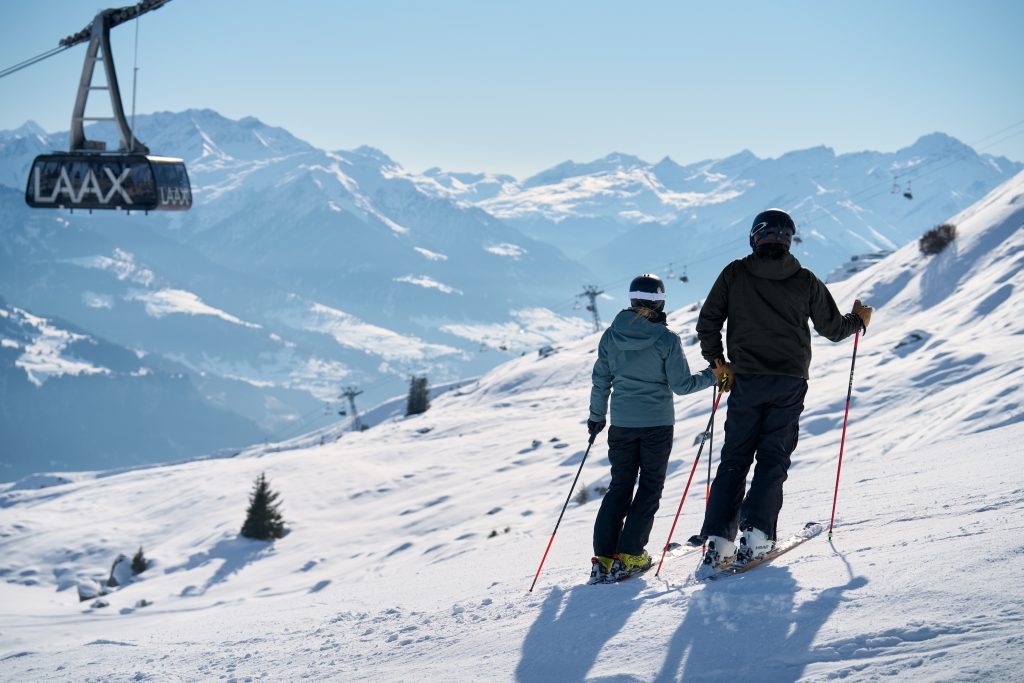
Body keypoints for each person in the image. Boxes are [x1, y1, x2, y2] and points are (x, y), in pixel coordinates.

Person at [695, 208, 873, 575]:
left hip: (745, 379)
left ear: (755, 237)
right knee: (772, 457)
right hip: (789, 381)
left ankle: (718, 541)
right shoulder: (804, 279)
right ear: (788, 239)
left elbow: (708, 321)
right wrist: (858, 320)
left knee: (735, 459)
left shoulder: (734, 273)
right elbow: (834, 329)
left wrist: (718, 362)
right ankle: (758, 536)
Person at [587, 274, 728, 583]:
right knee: (649, 487)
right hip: (656, 425)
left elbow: (601, 381)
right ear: (660, 301)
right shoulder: (666, 339)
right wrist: (714, 376)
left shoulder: (610, 336)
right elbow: (681, 386)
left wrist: (596, 417)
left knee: (619, 487)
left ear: (631, 299)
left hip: (621, 425)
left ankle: (604, 558)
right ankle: (631, 554)